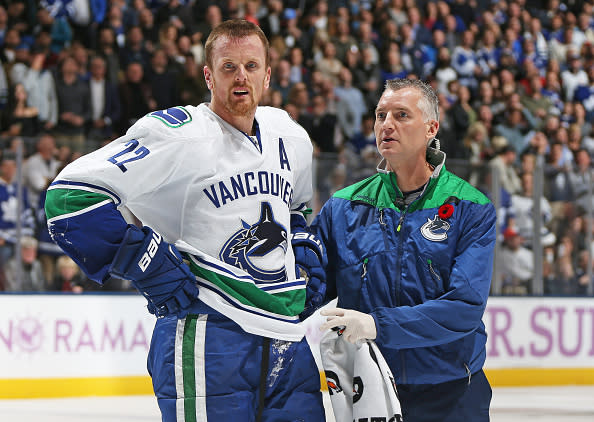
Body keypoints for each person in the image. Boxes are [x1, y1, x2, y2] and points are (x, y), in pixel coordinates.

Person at [45, 19, 326, 422]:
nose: (241, 76)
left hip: (289, 342)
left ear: (268, 74)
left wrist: (301, 245)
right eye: (228, 67)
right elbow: (69, 198)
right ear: (208, 76)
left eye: (251, 66)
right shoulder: (179, 135)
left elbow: (297, 207)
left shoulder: (290, 135)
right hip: (207, 335)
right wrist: (144, 262)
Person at [313, 78, 496, 421]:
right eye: (380, 115)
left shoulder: (470, 206)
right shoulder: (343, 207)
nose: (387, 125)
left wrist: (377, 325)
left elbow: (464, 308)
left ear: (431, 128)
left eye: (401, 115)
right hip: (371, 392)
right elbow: (306, 288)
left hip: (453, 393)